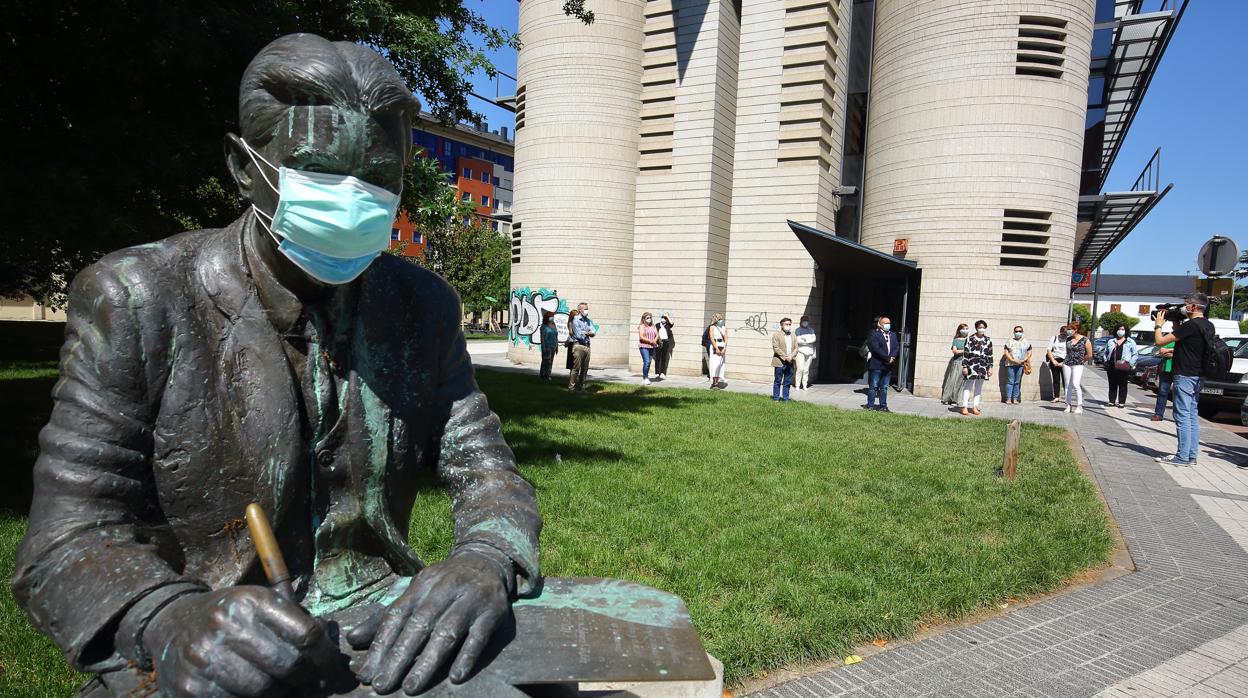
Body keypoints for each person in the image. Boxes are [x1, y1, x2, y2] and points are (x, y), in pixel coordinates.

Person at [11, 34, 541, 698]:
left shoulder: (422, 307)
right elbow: (64, 539)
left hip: (382, 630)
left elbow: (485, 465)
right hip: (211, 647)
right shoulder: (136, 299)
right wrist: (166, 618)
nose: (352, 200)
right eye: (319, 171)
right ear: (243, 168)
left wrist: (483, 559)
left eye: (378, 179)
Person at [1153, 293, 1212, 465]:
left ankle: (1182, 456)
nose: (1183, 308)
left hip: (1185, 375)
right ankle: (1191, 455)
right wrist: (1176, 322)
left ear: (1194, 307)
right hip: (1198, 375)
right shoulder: (1208, 325)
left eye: (1185, 305)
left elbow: (1160, 341)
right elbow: (1190, 347)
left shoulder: (1191, 325)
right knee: (1192, 415)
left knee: (1182, 415)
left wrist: (1158, 326)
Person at [865, 315, 899, 412]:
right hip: (877, 364)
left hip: (888, 366)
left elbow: (896, 347)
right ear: (880, 324)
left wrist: (892, 357)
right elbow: (876, 348)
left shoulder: (893, 335)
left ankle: (883, 406)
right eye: (886, 323)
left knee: (884, 387)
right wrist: (887, 358)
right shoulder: (874, 334)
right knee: (874, 386)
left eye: (889, 323)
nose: (888, 325)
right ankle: (870, 405)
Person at [961, 320, 993, 416]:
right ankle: (964, 406)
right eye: (980, 327)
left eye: (983, 327)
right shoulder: (970, 339)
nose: (981, 329)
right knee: (968, 386)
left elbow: (990, 354)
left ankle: (975, 406)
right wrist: (965, 366)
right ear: (976, 328)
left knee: (979, 387)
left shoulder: (988, 340)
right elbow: (965, 353)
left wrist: (990, 367)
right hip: (971, 365)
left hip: (983, 366)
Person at [1152, 312, 1178, 421]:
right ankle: (1158, 413)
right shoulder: (1169, 336)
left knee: (1178, 394)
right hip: (1165, 368)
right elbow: (1158, 349)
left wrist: (1172, 351)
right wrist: (1163, 352)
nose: (1173, 327)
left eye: (1175, 324)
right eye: (1173, 325)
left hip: (1178, 368)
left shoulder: (1184, 338)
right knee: (1162, 391)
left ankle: (1178, 416)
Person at [1103, 323, 1138, 408]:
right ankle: (1112, 401)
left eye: (1123, 329)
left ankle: (1121, 402)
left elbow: (1135, 354)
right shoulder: (1111, 341)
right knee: (1112, 384)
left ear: (1126, 331)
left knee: (1123, 384)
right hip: (1111, 365)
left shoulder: (1130, 341)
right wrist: (1105, 361)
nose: (1121, 331)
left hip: (1124, 365)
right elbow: (1105, 352)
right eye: (1119, 329)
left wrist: (1130, 364)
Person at [1062, 321, 1093, 414]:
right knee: (1067, 385)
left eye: (1070, 329)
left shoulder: (1085, 340)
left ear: (1076, 330)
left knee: (1076, 384)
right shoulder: (1068, 339)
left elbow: (1089, 354)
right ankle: (1068, 404)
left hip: (1078, 364)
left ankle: (1079, 405)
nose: (1068, 331)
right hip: (1067, 363)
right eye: (1068, 329)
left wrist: (1082, 360)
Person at [568, 302, 595, 391]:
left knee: (585, 368)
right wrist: (588, 332)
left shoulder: (588, 320)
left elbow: (593, 331)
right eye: (585, 309)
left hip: (587, 346)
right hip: (578, 346)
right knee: (576, 368)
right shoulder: (575, 320)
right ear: (580, 310)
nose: (586, 310)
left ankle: (582, 387)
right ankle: (572, 387)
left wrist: (585, 332)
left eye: (587, 308)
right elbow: (579, 335)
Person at [1003, 325, 1032, 405]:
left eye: (1020, 331)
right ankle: (1008, 399)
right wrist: (1012, 360)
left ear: (1022, 332)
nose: (1018, 332)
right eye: (1016, 331)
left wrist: (1025, 359)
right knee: (1010, 381)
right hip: (1010, 364)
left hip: (1021, 365)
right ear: (1014, 332)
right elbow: (1006, 352)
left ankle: (1015, 398)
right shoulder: (1009, 341)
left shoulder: (1026, 341)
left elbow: (1029, 351)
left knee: (1017, 382)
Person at [941, 323, 969, 405]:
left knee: (960, 382)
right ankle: (947, 398)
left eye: (966, 329)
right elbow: (955, 351)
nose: (965, 330)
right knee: (952, 380)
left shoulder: (969, 340)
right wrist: (965, 350)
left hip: (965, 363)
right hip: (956, 362)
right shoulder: (956, 340)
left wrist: (961, 351)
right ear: (959, 330)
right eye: (963, 329)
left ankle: (956, 399)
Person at [771, 318, 797, 401]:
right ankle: (776, 398)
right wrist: (785, 357)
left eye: (789, 324)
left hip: (790, 362)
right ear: (782, 325)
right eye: (786, 324)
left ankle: (785, 398)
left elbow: (796, 348)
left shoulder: (793, 335)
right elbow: (776, 348)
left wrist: (791, 356)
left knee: (787, 382)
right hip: (780, 361)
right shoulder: (776, 335)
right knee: (778, 381)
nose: (788, 326)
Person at [1045, 325, 1068, 402]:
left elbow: (1071, 353)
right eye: (1063, 333)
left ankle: (1067, 396)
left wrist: (1063, 362)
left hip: (1065, 360)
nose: (1064, 335)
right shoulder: (1054, 338)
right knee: (1056, 379)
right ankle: (1056, 396)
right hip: (1055, 359)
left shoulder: (1069, 340)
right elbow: (1049, 350)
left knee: (1066, 380)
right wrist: (1053, 360)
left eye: (1066, 334)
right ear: (1060, 332)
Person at [794, 316, 817, 390]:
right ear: (801, 321)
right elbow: (799, 340)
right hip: (800, 351)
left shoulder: (811, 330)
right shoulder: (798, 330)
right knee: (800, 368)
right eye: (804, 320)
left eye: (806, 320)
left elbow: (814, 339)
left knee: (806, 370)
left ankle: (804, 385)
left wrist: (805, 340)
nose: (805, 322)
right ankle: (797, 385)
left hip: (810, 351)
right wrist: (808, 341)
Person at [637, 312, 659, 385]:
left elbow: (657, 335)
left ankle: (645, 377)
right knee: (646, 362)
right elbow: (641, 337)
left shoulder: (653, 326)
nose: (649, 319)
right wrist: (650, 341)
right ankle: (645, 378)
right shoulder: (642, 326)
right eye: (647, 318)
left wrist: (655, 341)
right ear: (644, 319)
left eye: (650, 318)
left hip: (652, 346)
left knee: (648, 363)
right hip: (644, 346)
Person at [707, 313, 728, 389]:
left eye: (721, 319)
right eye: (719, 319)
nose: (721, 320)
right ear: (716, 319)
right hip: (715, 346)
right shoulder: (712, 327)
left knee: (721, 364)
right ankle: (714, 382)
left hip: (722, 345)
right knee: (715, 364)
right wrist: (716, 348)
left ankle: (718, 380)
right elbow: (712, 338)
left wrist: (724, 348)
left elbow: (726, 338)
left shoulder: (724, 327)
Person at [539, 310, 559, 380]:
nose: (552, 318)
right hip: (546, 346)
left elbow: (556, 336)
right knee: (546, 361)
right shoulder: (543, 326)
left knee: (551, 361)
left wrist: (557, 347)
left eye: (553, 316)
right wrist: (544, 347)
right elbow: (542, 338)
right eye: (551, 316)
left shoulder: (554, 324)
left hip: (553, 346)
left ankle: (548, 375)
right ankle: (543, 375)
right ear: (547, 317)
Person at [654, 313, 675, 378]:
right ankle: (657, 373)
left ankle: (663, 373)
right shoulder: (657, 325)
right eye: (662, 317)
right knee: (657, 358)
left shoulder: (668, 325)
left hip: (665, 342)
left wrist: (667, 316)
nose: (663, 319)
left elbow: (672, 323)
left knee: (663, 358)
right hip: (658, 342)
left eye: (665, 318)